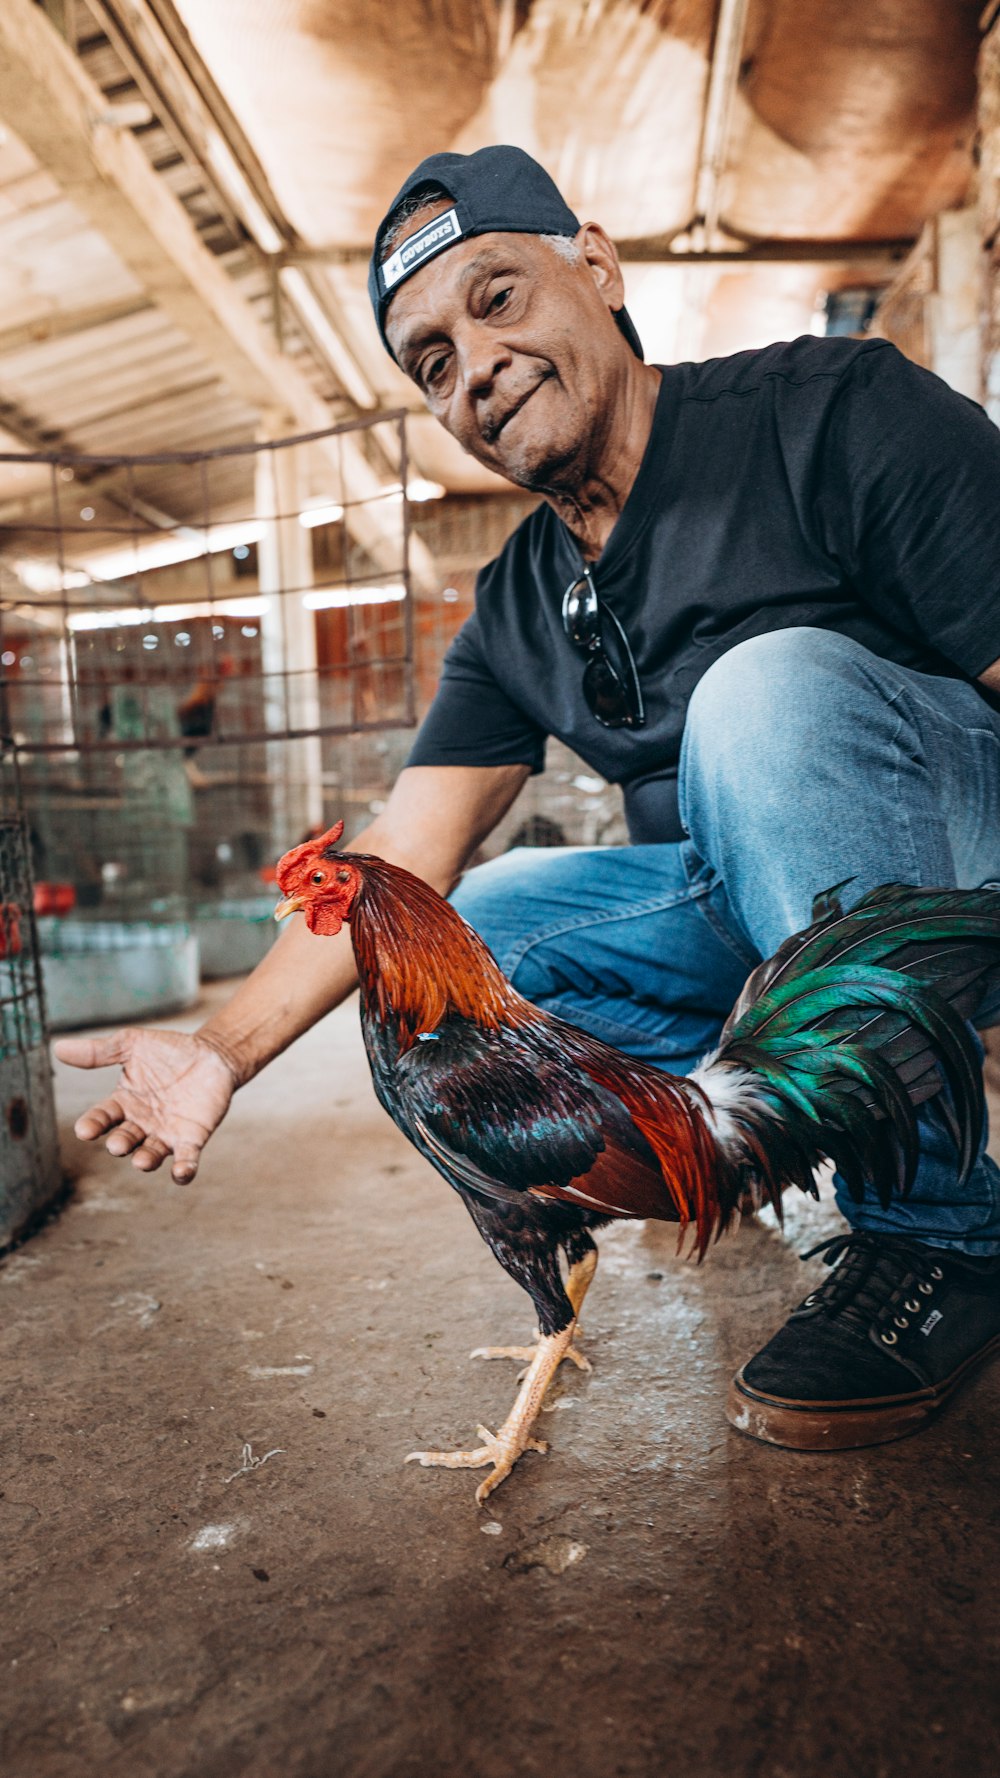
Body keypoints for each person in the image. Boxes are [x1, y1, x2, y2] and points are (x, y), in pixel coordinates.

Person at [58, 145, 1000, 1450]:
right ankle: (792, 1142)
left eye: (495, 298)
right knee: (474, 951)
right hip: (757, 917)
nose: (475, 363)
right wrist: (219, 1050)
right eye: (432, 360)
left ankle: (938, 1232)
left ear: (597, 265)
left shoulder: (828, 412)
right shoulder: (514, 606)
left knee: (760, 696)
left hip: (958, 867)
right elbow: (403, 849)